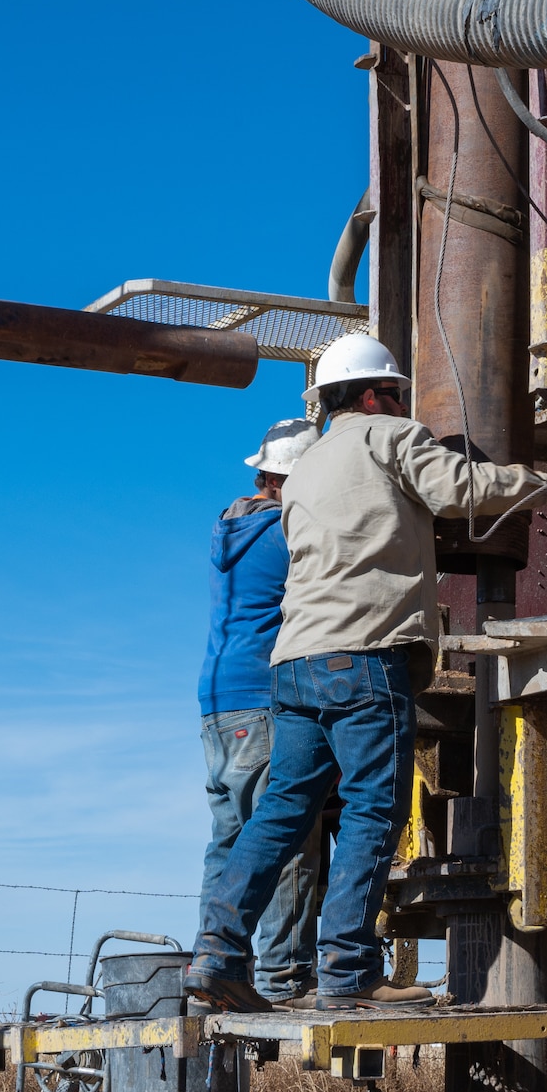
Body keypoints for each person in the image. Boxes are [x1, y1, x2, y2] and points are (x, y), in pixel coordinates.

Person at [184, 334, 547, 1013]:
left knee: (279, 814)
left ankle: (216, 953)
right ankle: (349, 971)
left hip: (294, 668)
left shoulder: (308, 468)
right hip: (366, 657)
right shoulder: (390, 436)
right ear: (370, 395)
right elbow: (462, 488)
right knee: (372, 813)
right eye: (395, 392)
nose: (403, 402)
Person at [199, 416, 324, 1007]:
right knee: (289, 831)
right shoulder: (285, 534)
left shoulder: (234, 529)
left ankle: (215, 966)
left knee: (229, 837)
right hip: (262, 696)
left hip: (217, 701)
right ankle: (285, 976)